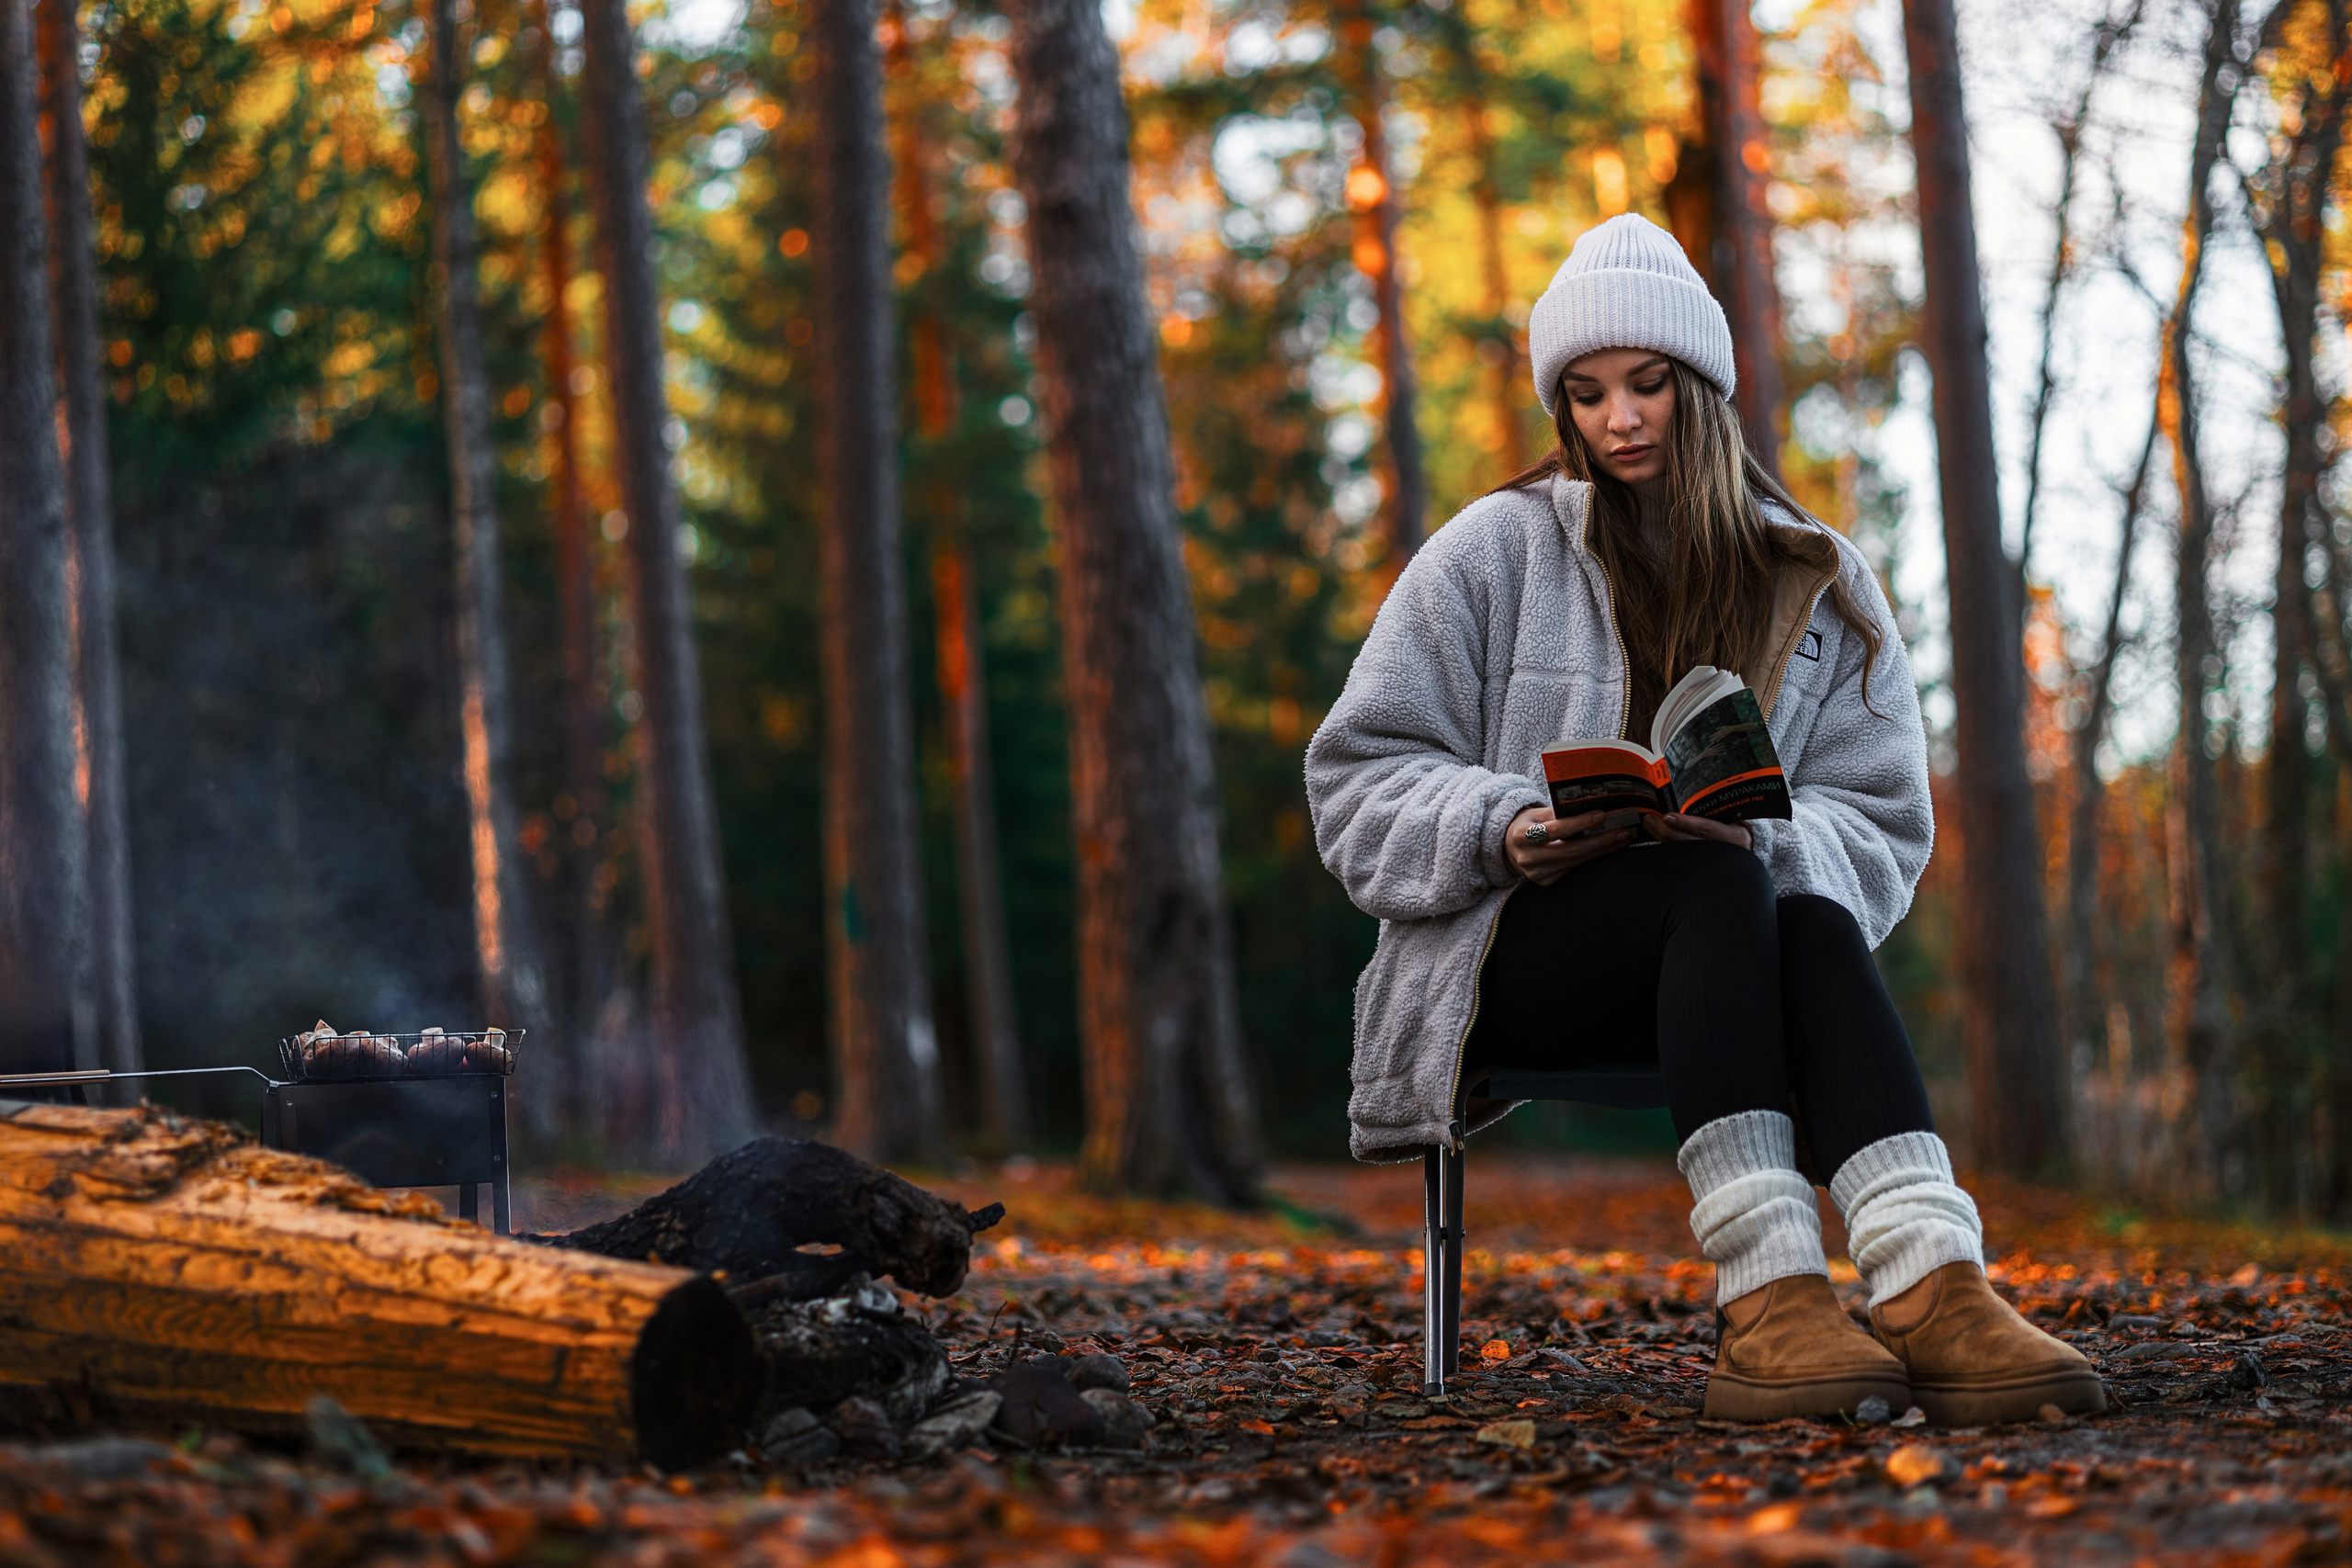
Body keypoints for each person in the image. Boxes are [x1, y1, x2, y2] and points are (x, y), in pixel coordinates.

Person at [1303, 213, 2099, 1426]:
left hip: (1733, 950)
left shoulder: (1818, 577)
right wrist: (1508, 825)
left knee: (1799, 918)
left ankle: (1933, 1286)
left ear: (1705, 385)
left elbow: (1882, 823)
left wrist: (1762, 835)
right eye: (1586, 393)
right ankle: (1768, 1295)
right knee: (1722, 894)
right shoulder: (1490, 551)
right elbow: (1356, 780)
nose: (1619, 418)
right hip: (1512, 960)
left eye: (1648, 384)